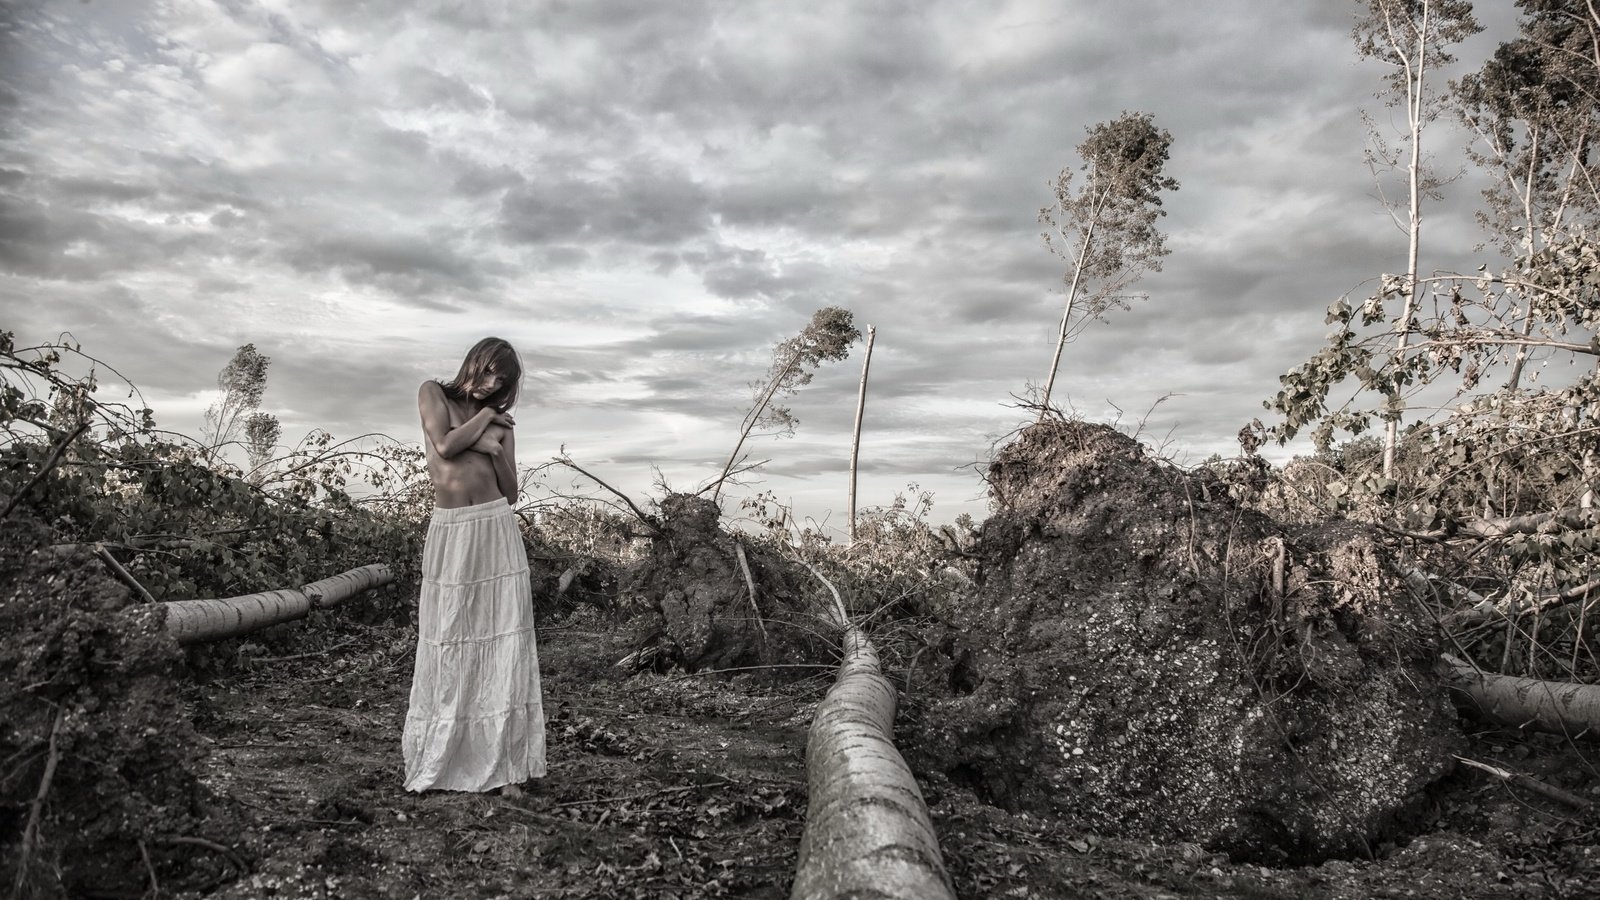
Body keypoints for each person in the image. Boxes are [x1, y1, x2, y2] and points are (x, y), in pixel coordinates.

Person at [402, 337, 545, 792]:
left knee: (501, 637)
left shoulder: (503, 429)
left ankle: (504, 764)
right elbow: (443, 446)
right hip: (451, 530)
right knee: (450, 635)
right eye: (488, 374)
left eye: (500, 383)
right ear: (474, 363)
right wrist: (484, 420)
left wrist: (496, 449)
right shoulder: (433, 394)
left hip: (494, 527)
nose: (490, 386)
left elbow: (512, 492)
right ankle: (444, 756)